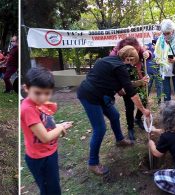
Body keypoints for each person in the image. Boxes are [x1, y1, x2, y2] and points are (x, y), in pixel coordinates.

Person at [77, 45, 150, 175]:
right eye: (133, 62)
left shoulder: (107, 60)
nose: (133, 65)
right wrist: (143, 110)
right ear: (128, 58)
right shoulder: (120, 67)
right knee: (100, 129)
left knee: (115, 115)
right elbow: (130, 92)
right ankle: (93, 163)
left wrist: (137, 83)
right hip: (90, 95)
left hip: (101, 94)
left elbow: (117, 84)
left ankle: (120, 139)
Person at [21, 67, 73, 195]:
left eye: (47, 93)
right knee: (50, 191)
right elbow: (44, 137)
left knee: (54, 187)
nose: (43, 97)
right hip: (40, 158)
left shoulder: (38, 103)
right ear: (26, 88)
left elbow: (44, 125)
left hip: (49, 153)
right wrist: (60, 128)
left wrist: (59, 125)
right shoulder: (28, 109)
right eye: (38, 93)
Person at [110, 37, 151, 141]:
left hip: (139, 78)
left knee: (144, 100)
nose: (130, 61)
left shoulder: (137, 48)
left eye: (134, 55)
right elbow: (115, 78)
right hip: (125, 84)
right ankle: (130, 127)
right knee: (129, 106)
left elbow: (149, 55)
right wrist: (119, 88)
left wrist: (148, 53)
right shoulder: (114, 55)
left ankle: (138, 119)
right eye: (127, 58)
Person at [155, 19, 175, 101]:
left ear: (173, 30)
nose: (165, 35)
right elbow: (157, 53)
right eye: (164, 33)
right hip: (164, 70)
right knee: (166, 93)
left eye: (168, 33)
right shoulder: (160, 38)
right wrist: (158, 59)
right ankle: (168, 110)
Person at [146, 39, 163, 104]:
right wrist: (146, 50)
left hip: (158, 69)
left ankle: (159, 101)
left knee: (159, 85)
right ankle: (145, 99)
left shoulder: (162, 46)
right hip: (149, 68)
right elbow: (144, 49)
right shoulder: (149, 45)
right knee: (148, 85)